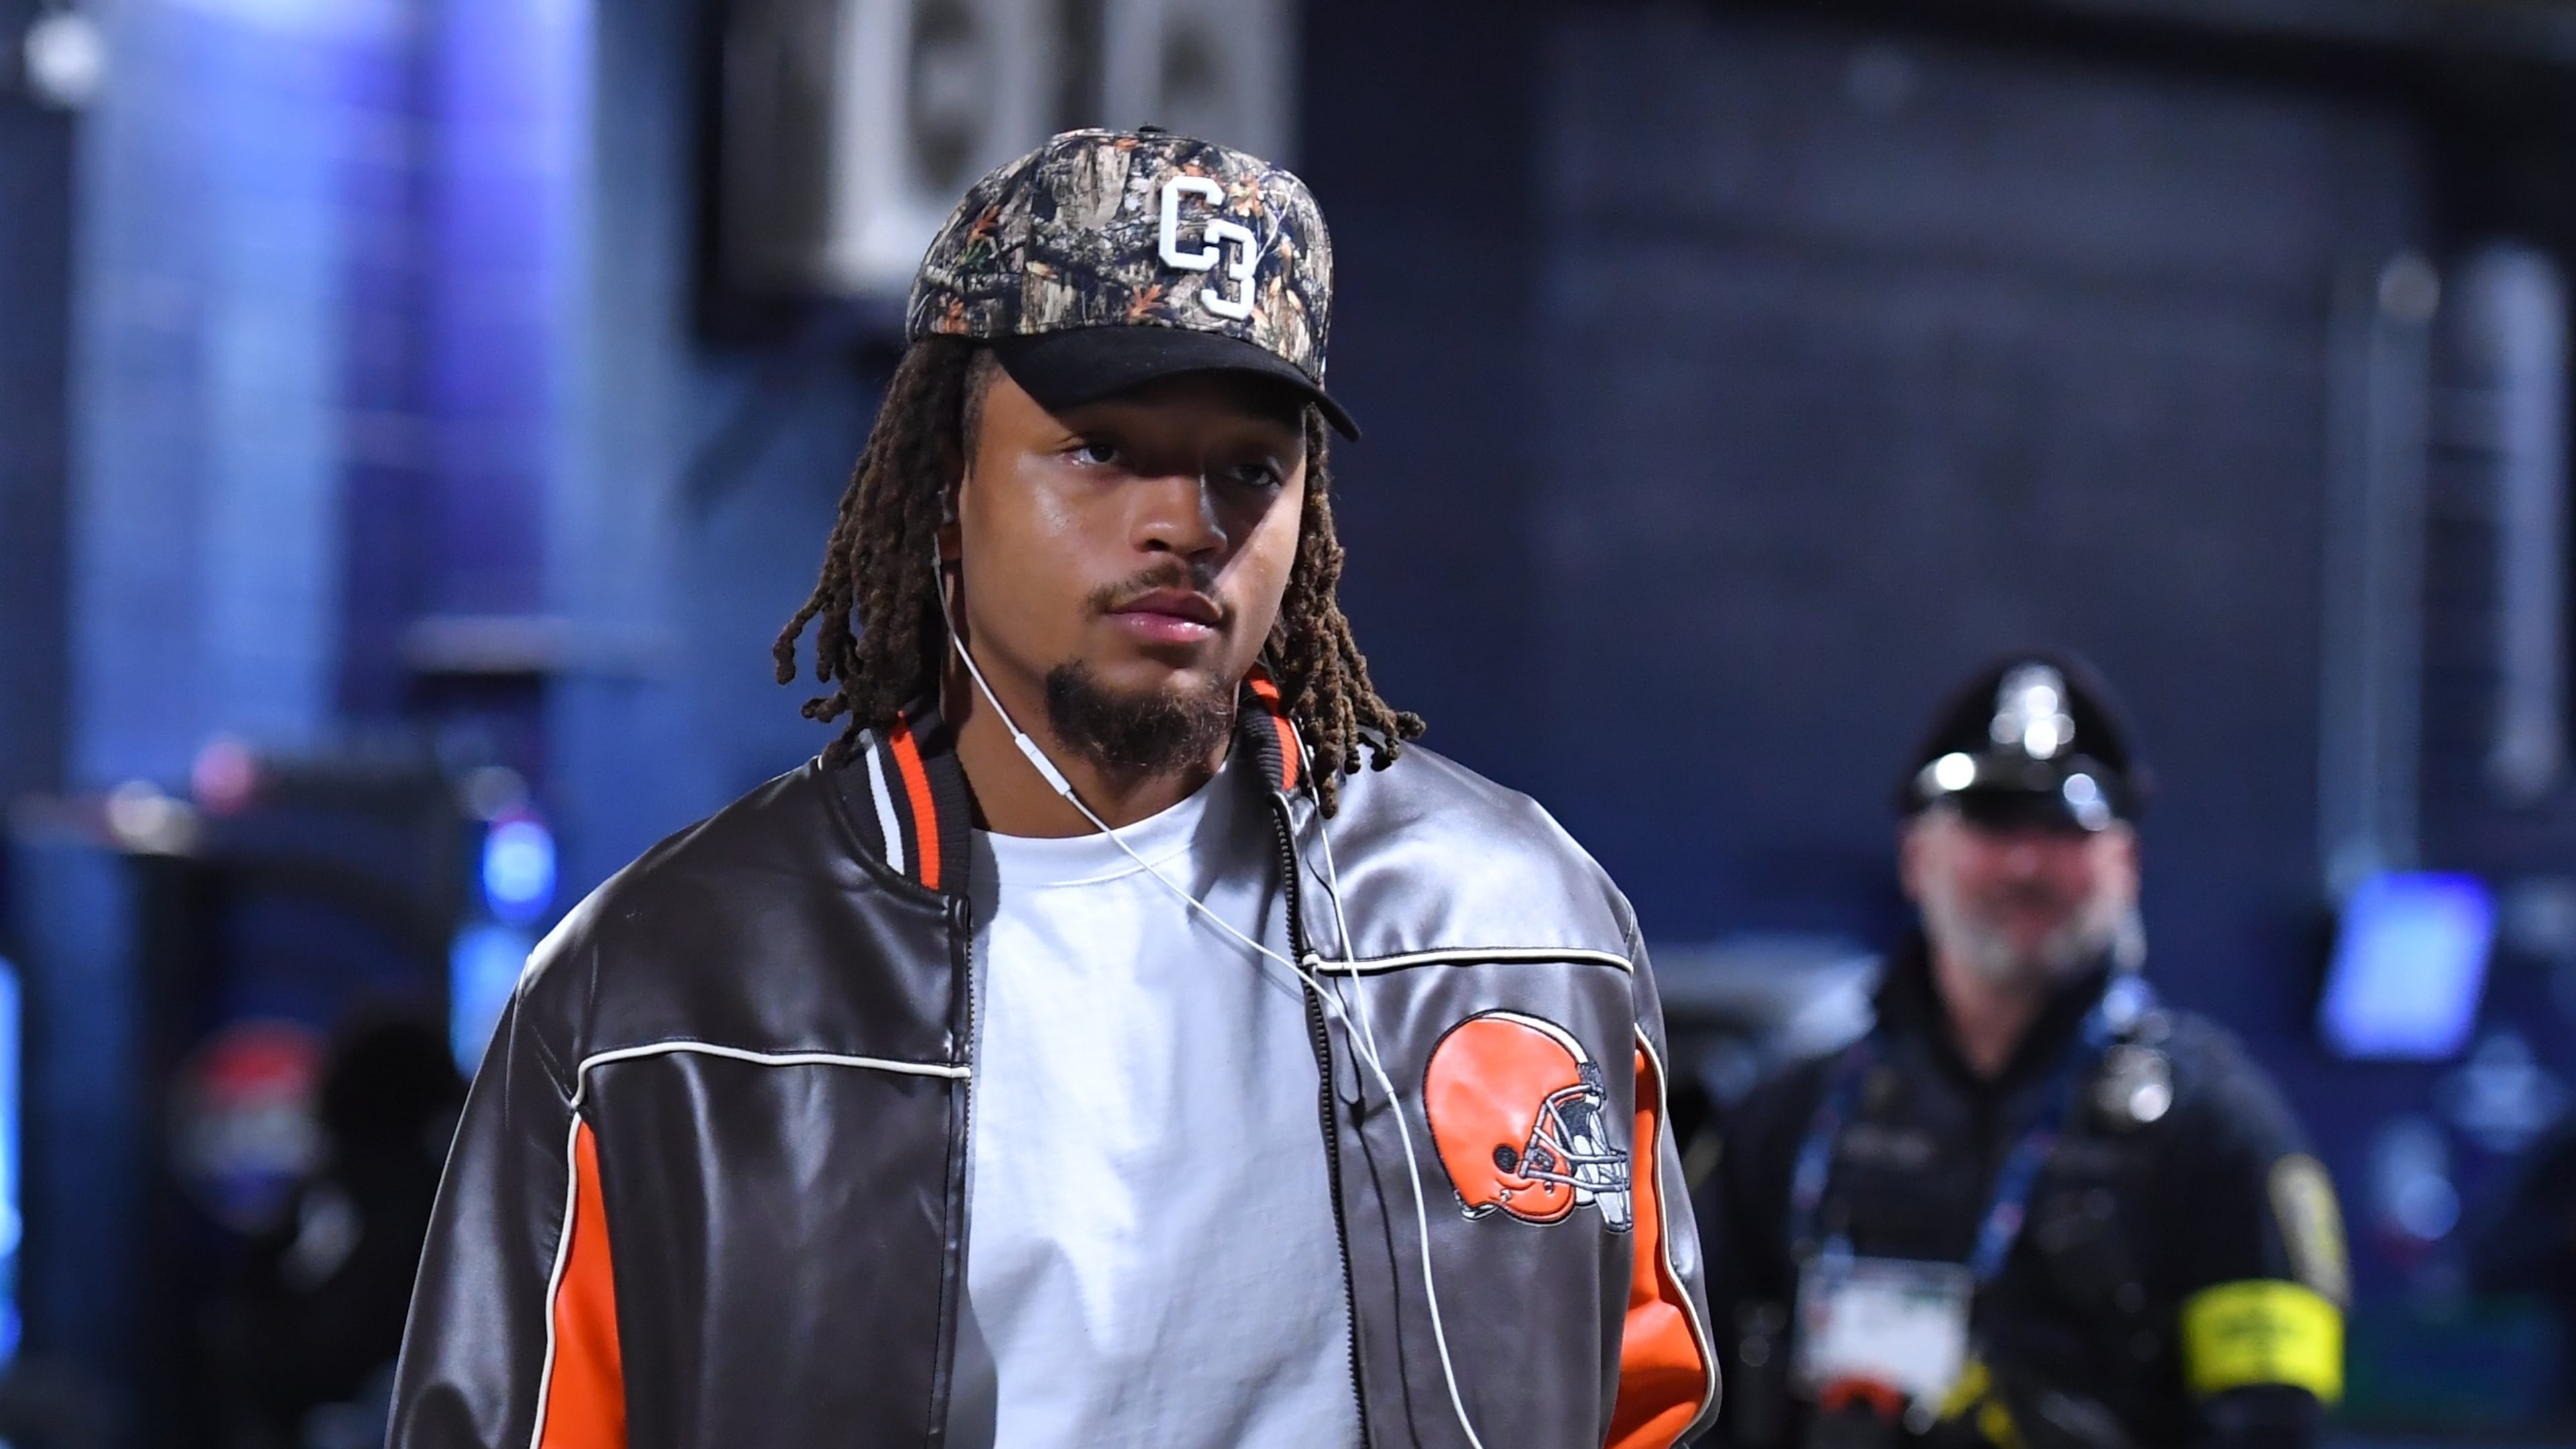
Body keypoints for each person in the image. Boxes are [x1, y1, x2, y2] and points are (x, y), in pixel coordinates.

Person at [388, 128, 1717, 1449]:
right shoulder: (668, 983)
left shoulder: (1522, 931)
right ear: (944, 485)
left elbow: (1645, 1405)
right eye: (1101, 449)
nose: (1185, 521)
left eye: (1249, 467)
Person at [1705, 655, 2347, 1449]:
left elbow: (2274, 1424)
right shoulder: (1793, 1118)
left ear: (2127, 864)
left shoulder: (2218, 1134)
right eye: (1991, 821)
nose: (2025, 864)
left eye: (2062, 829)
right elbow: (1685, 1390)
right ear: (1915, 856)